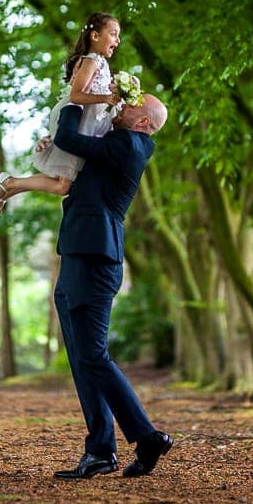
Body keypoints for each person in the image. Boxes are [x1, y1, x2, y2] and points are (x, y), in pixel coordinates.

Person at [48, 94, 173, 480]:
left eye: (133, 105)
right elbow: (70, 155)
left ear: (143, 123)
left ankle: (146, 435)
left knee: (94, 356)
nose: (123, 105)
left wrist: (74, 96)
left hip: (96, 261)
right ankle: (101, 450)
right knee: (83, 361)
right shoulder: (118, 142)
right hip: (76, 254)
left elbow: (70, 138)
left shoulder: (130, 145)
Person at [0, 13, 122, 221]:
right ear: (95, 36)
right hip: (77, 122)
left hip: (84, 125)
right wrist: (107, 97)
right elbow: (76, 95)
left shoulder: (100, 63)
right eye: (113, 34)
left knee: (61, 183)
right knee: (62, 185)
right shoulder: (91, 60)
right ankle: (10, 184)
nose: (117, 40)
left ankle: (8, 188)